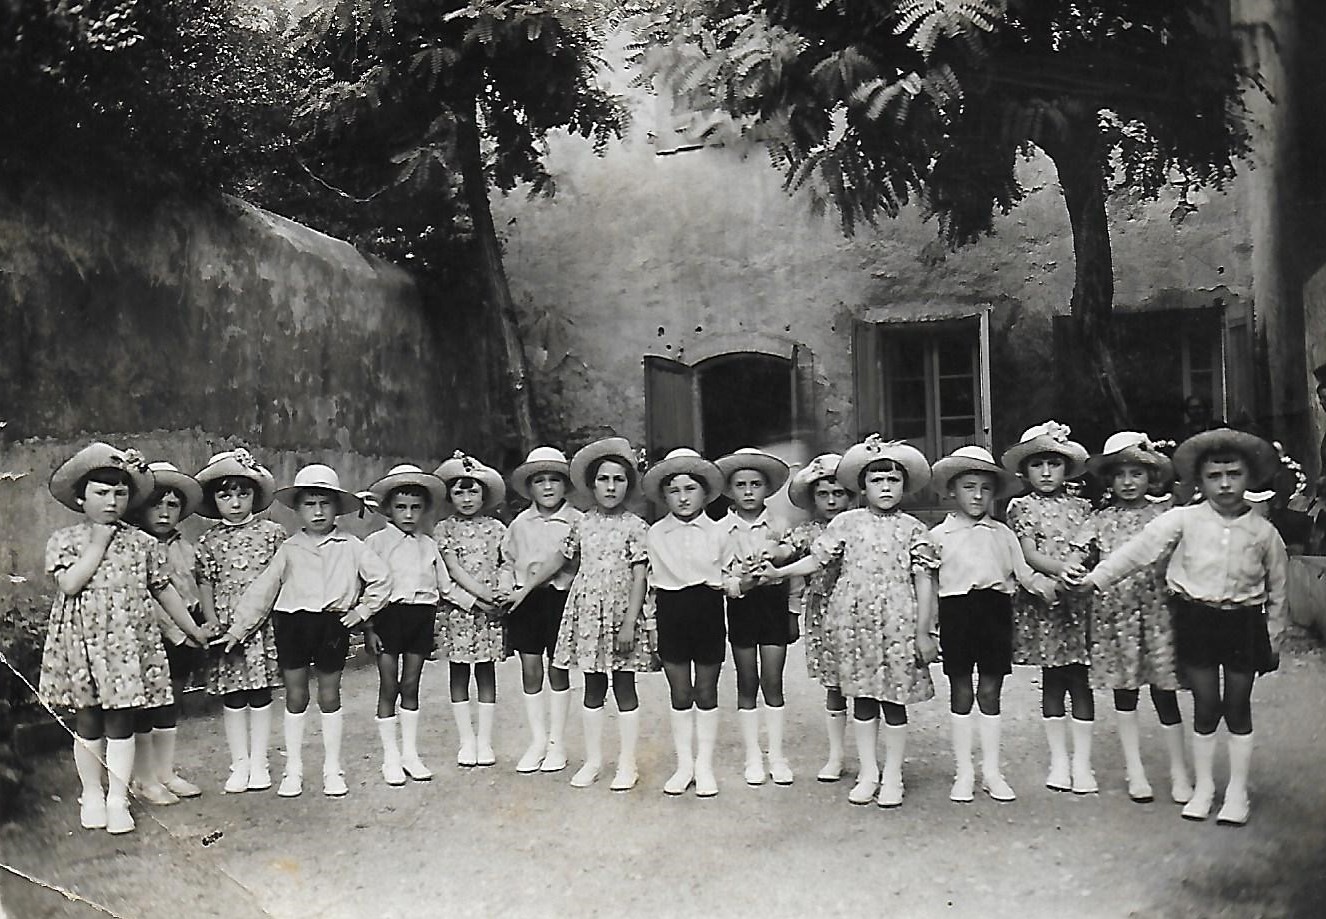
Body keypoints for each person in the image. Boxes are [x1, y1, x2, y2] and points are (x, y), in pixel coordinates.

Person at [1078, 428, 1287, 826]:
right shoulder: (1183, 519)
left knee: (1237, 707)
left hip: (1244, 622)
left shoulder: (1264, 532)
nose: (1224, 484)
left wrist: (1274, 637)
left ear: (1250, 477)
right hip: (1197, 620)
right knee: (1206, 705)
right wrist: (1095, 579)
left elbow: (1279, 589)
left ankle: (1237, 793)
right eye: (1214, 476)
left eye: (1234, 474)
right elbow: (1138, 551)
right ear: (1200, 480)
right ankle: (1205, 788)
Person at [42, 443, 209, 834]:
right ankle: (92, 795)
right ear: (81, 498)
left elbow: (163, 589)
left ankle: (118, 798)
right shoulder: (65, 540)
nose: (111, 501)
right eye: (101, 492)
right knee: (88, 722)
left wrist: (192, 629)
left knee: (122, 721)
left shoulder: (142, 544)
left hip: (128, 647)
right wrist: (98, 543)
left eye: (119, 493)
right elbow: (69, 583)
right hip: (83, 645)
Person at [763, 437, 938, 808]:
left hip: (897, 623)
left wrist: (924, 631)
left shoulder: (914, 529)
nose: (886, 487)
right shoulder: (846, 522)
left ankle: (893, 775)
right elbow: (816, 560)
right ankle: (868, 772)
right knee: (861, 697)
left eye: (893, 480)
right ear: (863, 486)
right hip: (853, 621)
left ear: (904, 486)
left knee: (893, 699)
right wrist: (777, 572)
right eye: (877, 480)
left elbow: (925, 581)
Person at [222, 464, 391, 798]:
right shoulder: (289, 548)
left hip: (333, 624)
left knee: (329, 695)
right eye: (310, 503)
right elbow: (263, 590)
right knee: (296, 696)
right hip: (293, 624)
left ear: (336, 509)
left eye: (325, 503)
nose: (317, 511)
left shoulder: (351, 545)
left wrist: (361, 611)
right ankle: (293, 769)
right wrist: (238, 629)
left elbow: (381, 580)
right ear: (298, 509)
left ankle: (332, 769)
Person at [512, 437, 657, 791]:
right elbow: (560, 560)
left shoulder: (636, 526)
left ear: (628, 484)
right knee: (592, 686)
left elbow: (640, 576)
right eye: (604, 480)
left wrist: (629, 622)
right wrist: (525, 589)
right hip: (589, 614)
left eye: (618, 480)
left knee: (624, 685)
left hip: (622, 614)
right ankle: (593, 760)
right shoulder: (582, 524)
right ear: (591, 485)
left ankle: (627, 762)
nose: (610, 487)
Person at [929, 445, 1058, 803]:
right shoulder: (939, 536)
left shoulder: (1002, 533)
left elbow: (1025, 573)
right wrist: (927, 627)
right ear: (953, 490)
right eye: (969, 487)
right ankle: (964, 773)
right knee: (961, 691)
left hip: (994, 611)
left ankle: (991, 771)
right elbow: (926, 582)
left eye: (985, 488)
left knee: (989, 691)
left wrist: (1049, 588)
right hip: (955, 613)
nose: (977, 495)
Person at [1073, 433, 1191, 805]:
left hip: (1158, 612)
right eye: (1120, 474)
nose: (1128, 482)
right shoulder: (1099, 520)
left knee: (1164, 691)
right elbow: (1079, 554)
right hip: (1115, 614)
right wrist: (1073, 571)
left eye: (1136, 473)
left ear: (1150, 476)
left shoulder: (1166, 516)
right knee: (1126, 692)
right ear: (1109, 479)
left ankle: (1179, 772)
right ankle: (1135, 770)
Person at [1001, 422, 1097, 794]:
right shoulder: (1021, 507)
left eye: (1053, 464)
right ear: (1025, 471)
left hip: (1076, 598)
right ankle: (1059, 761)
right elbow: (1028, 552)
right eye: (1037, 465)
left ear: (1065, 469)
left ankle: (1083, 764)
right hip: (1044, 599)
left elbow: (1085, 546)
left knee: (1080, 677)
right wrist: (1057, 571)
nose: (1045, 472)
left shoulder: (1083, 507)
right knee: (1054, 677)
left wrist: (1073, 569)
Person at [364, 464, 469, 785]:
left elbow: (446, 587)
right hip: (387, 617)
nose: (408, 514)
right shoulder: (376, 543)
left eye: (415, 508)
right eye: (401, 507)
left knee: (410, 685)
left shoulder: (429, 545)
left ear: (424, 510)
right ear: (389, 509)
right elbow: (364, 587)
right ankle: (390, 758)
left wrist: (481, 603)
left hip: (420, 617)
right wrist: (368, 628)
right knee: (389, 686)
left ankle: (410, 754)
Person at [194, 449, 286, 795]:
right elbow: (206, 582)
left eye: (242, 493)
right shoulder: (208, 541)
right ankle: (240, 763)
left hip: (262, 625)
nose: (234, 502)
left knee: (260, 692)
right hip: (226, 622)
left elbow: (279, 579)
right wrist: (213, 620)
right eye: (225, 495)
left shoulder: (272, 534)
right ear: (214, 499)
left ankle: (260, 761)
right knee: (233, 694)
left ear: (253, 496)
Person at [642, 448, 727, 797]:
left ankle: (705, 767)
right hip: (671, 611)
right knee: (679, 691)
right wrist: (650, 627)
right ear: (664, 496)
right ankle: (684, 765)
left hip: (708, 609)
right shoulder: (656, 534)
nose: (682, 497)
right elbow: (649, 585)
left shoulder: (720, 532)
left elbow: (731, 576)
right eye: (674, 490)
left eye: (690, 489)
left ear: (705, 492)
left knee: (706, 690)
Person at [127, 461, 209, 805]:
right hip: (151, 633)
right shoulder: (134, 546)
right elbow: (147, 596)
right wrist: (177, 632)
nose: (163, 513)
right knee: (145, 706)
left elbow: (197, 586)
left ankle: (165, 772)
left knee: (170, 703)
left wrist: (200, 625)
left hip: (183, 634)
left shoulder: (186, 547)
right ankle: (142, 778)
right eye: (155, 504)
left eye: (172, 505)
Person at [715, 447, 796, 786]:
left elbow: (792, 571)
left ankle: (776, 755)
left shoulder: (779, 525)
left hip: (774, 607)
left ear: (767, 489)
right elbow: (719, 577)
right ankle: (752, 756)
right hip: (743, 607)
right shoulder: (720, 530)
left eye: (756, 484)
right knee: (747, 681)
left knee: (773, 682)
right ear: (730, 490)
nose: (748, 491)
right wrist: (741, 582)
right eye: (741, 485)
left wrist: (792, 611)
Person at [501, 446, 582, 774]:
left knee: (558, 668)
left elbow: (572, 560)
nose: (548, 487)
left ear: (565, 485)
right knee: (530, 668)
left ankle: (557, 744)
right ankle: (537, 740)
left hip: (561, 598)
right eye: (540, 481)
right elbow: (507, 560)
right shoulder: (520, 524)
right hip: (526, 602)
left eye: (555, 480)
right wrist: (508, 586)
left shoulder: (577, 521)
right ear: (530, 487)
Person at [776, 454, 851, 781]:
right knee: (834, 684)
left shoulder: (860, 523)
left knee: (865, 683)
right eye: (824, 494)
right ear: (813, 498)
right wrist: (768, 554)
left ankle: (872, 759)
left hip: (862, 610)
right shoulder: (807, 532)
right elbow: (784, 550)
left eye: (839, 493)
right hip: (824, 611)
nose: (832, 500)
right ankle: (836, 756)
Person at [433, 452, 509, 768]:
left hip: (490, 613)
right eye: (459, 491)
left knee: (487, 670)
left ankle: (484, 740)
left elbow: (507, 562)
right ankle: (466, 740)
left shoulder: (496, 528)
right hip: (460, 611)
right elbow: (450, 569)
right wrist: (479, 597)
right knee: (460, 670)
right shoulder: (444, 529)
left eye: (473, 491)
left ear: (484, 494)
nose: (466, 498)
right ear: (450, 496)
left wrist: (502, 593)